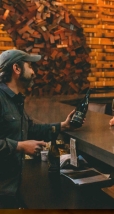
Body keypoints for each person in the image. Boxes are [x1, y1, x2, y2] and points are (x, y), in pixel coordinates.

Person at [0, 49, 82, 209]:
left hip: (13, 190)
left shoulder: (16, 100)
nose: (33, 71)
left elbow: (30, 129)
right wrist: (20, 146)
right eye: (30, 66)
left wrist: (62, 126)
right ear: (16, 69)